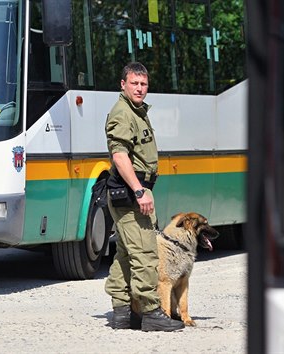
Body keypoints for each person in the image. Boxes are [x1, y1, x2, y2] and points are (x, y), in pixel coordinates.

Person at [104, 62, 184, 332]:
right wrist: (139, 190)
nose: (139, 88)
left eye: (143, 84)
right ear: (122, 84)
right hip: (130, 192)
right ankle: (151, 312)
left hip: (134, 190)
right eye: (134, 83)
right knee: (146, 253)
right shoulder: (123, 113)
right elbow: (119, 155)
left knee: (126, 253)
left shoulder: (136, 111)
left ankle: (123, 313)